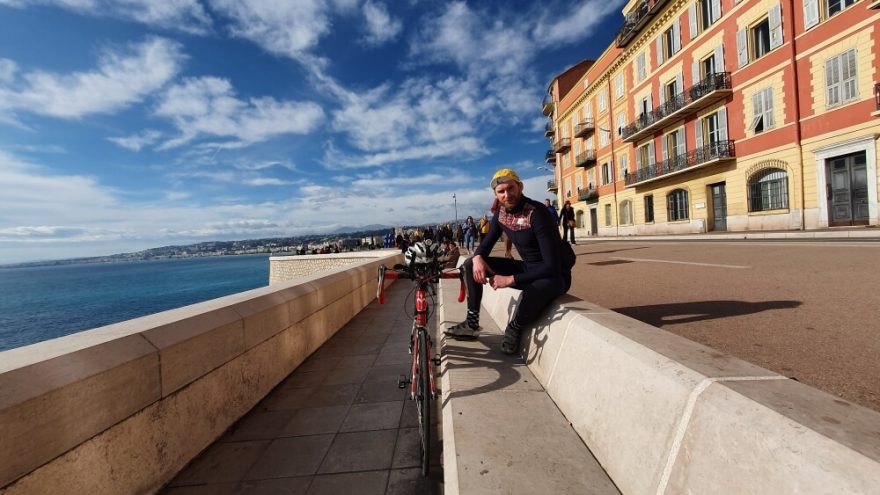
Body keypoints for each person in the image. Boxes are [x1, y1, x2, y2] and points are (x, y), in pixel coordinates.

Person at [445, 168, 575, 355]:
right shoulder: (501, 214)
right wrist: (479, 257)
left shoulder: (537, 213)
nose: (507, 195)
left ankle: (514, 326)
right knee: (469, 265)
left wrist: (510, 279)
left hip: (555, 275)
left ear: (520, 187)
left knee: (536, 289)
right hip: (528, 268)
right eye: (501, 192)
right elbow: (485, 245)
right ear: (496, 195)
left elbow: (552, 265)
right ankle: (471, 323)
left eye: (510, 189)